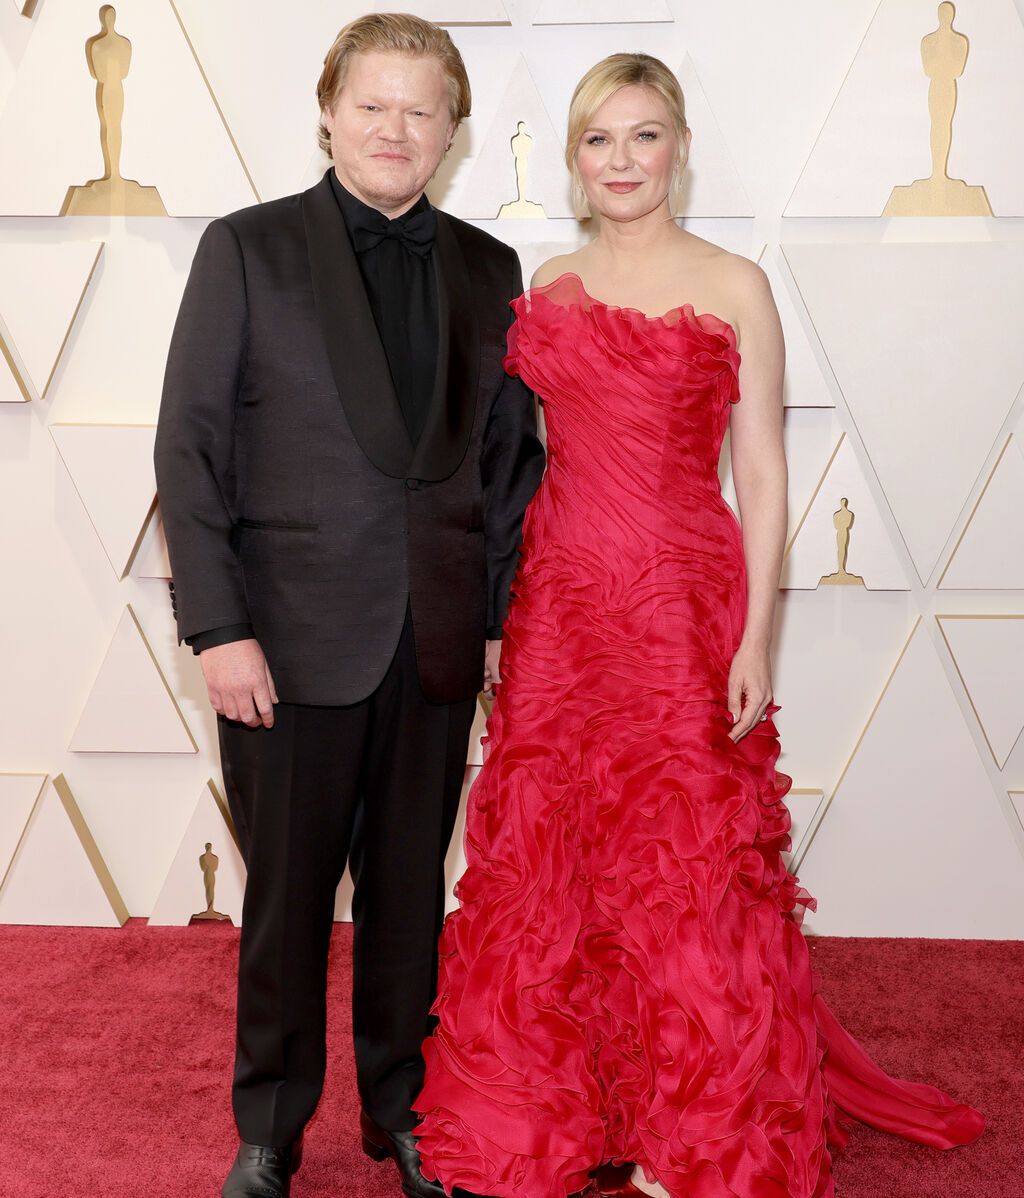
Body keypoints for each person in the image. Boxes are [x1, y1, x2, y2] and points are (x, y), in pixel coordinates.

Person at [411, 53, 984, 1198]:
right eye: (597, 140)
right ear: (572, 160)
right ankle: (555, 1117)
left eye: (642, 136)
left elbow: (764, 475)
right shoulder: (549, 285)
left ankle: (700, 1133)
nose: (621, 161)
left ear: (677, 146)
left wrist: (756, 635)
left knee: (687, 867)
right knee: (553, 859)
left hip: (681, 603)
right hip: (563, 609)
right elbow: (513, 468)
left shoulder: (734, 284)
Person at [153, 13, 544, 1198]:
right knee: (281, 907)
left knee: (409, 901)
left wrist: (487, 622)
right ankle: (270, 1125)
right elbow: (190, 448)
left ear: (451, 132)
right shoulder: (246, 249)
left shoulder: (489, 267)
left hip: (430, 644)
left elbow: (506, 461)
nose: (394, 127)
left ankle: (403, 1110)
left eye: (420, 109)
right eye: (371, 103)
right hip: (283, 645)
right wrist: (220, 629)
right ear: (327, 111)